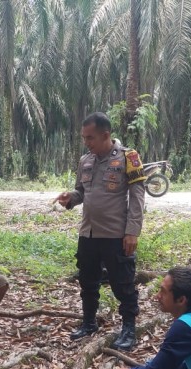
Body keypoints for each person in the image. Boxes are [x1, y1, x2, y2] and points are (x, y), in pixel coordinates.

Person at [56, 112, 146, 351]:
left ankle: (129, 328)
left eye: (91, 138)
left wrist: (132, 231)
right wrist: (70, 199)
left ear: (106, 135)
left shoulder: (129, 157)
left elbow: (137, 197)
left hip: (116, 234)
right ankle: (88, 322)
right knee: (88, 280)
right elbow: (81, 193)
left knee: (122, 282)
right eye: (85, 138)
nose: (87, 142)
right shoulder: (85, 161)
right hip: (88, 234)